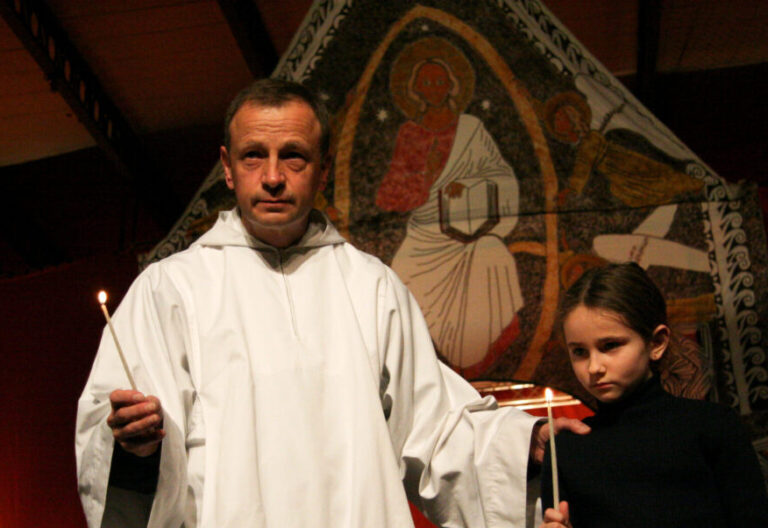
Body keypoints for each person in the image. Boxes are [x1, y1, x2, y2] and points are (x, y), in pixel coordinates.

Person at [76, 78, 588, 528]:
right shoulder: (170, 289)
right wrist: (137, 446)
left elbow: (434, 426)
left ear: (322, 171)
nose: (272, 176)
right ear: (227, 168)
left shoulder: (370, 286)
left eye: (293, 155)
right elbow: (118, 433)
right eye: (253, 155)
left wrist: (519, 445)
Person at [540, 262, 768, 527]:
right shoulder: (566, 450)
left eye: (610, 345)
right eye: (579, 352)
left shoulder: (712, 426)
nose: (594, 368)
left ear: (657, 342)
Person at [376, 37, 524, 378]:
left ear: (451, 85)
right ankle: (433, 368)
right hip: (426, 231)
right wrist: (426, 178)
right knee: (402, 272)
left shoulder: (471, 128)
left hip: (472, 229)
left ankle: (485, 355)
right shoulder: (410, 133)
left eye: (439, 81)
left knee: (494, 254)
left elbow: (499, 173)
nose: (434, 88)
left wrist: (468, 186)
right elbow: (389, 195)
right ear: (416, 90)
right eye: (426, 83)